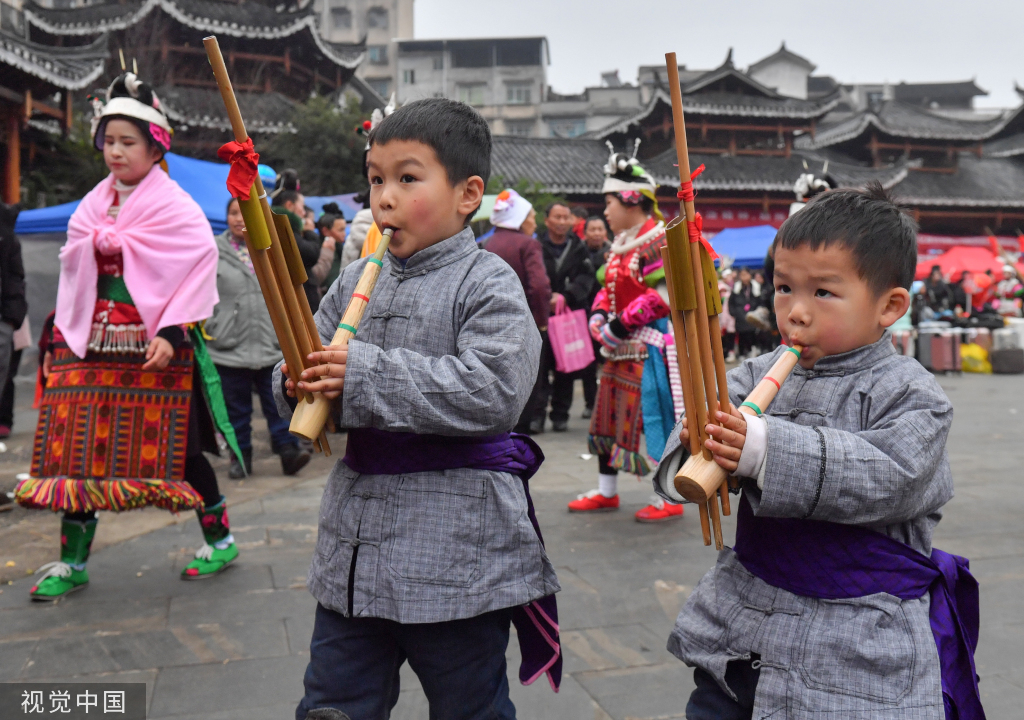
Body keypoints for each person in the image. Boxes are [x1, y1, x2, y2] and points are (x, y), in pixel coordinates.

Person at [653, 185, 982, 719]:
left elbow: (891, 475)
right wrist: (697, 442)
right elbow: (697, 443)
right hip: (743, 626)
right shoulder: (751, 373)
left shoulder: (913, 393)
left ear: (889, 306)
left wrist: (763, 451)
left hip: (854, 644)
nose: (795, 312)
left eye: (823, 293)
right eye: (783, 288)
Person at [279, 98, 560, 720]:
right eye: (376, 179)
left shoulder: (486, 280)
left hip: (459, 554)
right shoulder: (356, 276)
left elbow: (495, 392)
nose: (384, 197)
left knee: (469, 707)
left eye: (408, 178)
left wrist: (363, 374)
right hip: (354, 548)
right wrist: (295, 381)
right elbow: (311, 360)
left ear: (468, 195)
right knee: (332, 704)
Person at [16, 72, 244, 600]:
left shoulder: (176, 206)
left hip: (155, 345)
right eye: (108, 141)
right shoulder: (93, 202)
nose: (115, 152)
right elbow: (75, 265)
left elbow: (197, 263)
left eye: (127, 142)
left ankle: (221, 539)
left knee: (179, 450)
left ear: (154, 146)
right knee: (79, 452)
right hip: (89, 342)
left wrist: (170, 329)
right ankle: (73, 561)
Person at [570, 146, 684, 523]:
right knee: (607, 419)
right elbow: (607, 289)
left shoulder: (658, 240)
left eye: (609, 202)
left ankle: (667, 495)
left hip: (649, 348)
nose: (604, 211)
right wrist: (600, 314)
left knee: (656, 418)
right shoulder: (620, 245)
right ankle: (607, 492)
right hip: (619, 349)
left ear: (632, 200)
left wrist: (621, 324)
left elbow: (665, 293)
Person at [207, 197, 311, 480]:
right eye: (232, 213)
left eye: (244, 213)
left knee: (277, 402)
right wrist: (212, 323)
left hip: (271, 341)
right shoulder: (213, 249)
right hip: (228, 343)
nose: (239, 219)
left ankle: (289, 452)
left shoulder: (270, 247)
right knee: (235, 409)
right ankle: (240, 457)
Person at [483, 189, 552, 434]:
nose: (534, 221)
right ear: (521, 219)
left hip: (489, 323)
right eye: (531, 216)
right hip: (524, 324)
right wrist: (542, 321)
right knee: (528, 378)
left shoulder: (487, 243)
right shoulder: (528, 244)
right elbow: (540, 286)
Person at [534, 201, 596, 432]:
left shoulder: (579, 247)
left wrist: (567, 296)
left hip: (568, 316)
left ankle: (561, 414)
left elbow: (586, 278)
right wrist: (547, 297)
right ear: (547, 220)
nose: (562, 222)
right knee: (539, 368)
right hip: (539, 316)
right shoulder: (536, 244)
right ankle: (537, 416)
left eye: (565, 218)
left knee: (566, 367)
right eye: (557, 217)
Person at [0, 200, 26, 436]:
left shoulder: (6, 232)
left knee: (6, 374)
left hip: (4, 317)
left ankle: (4, 420)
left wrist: (11, 319)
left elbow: (16, 277)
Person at [581, 215, 611, 418]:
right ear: (585, 233)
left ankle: (609, 403)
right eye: (593, 229)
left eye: (600, 229)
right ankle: (590, 403)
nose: (597, 233)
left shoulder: (613, 253)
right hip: (583, 314)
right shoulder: (578, 252)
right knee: (588, 364)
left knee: (608, 360)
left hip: (608, 315)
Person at [728, 267, 762, 359]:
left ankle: (753, 350)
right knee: (741, 336)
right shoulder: (737, 287)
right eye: (742, 275)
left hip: (752, 314)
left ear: (750, 275)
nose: (744, 277)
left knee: (752, 333)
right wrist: (734, 312)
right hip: (740, 315)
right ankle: (742, 353)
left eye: (746, 274)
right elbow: (731, 302)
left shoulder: (755, 287)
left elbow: (759, 300)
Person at [316, 202, 348, 293]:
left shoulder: (341, 249)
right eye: (340, 230)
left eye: (344, 229)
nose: (344, 234)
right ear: (325, 231)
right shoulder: (318, 253)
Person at [718, 268, 736, 362]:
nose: (730, 278)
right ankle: (722, 353)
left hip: (729, 314)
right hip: (721, 314)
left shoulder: (732, 286)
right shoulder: (721, 287)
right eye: (728, 276)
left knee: (730, 334)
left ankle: (729, 352)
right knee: (722, 335)